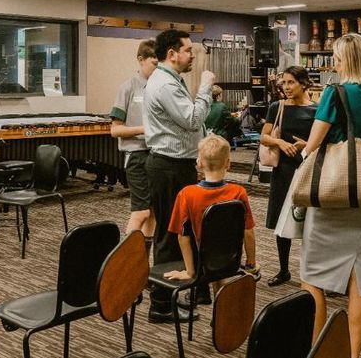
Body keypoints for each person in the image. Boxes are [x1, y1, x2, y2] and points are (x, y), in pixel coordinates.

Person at [298, 33, 361, 358]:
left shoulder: (334, 93)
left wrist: (305, 151)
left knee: (312, 277)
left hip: (332, 195)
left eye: (337, 58)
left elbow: (314, 143)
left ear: (346, 61)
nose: (334, 64)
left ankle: (314, 356)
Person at [143, 29, 216, 323]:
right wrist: (206, 88)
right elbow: (192, 118)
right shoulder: (165, 85)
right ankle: (161, 304)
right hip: (168, 167)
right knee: (170, 235)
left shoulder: (172, 80)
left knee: (183, 231)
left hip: (177, 164)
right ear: (172, 54)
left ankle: (182, 291)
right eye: (188, 51)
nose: (192, 56)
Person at [162, 135, 258, 289]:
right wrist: (251, 263)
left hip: (201, 261)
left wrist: (190, 272)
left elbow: (182, 236)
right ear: (228, 164)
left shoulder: (187, 194)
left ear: (198, 163)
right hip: (231, 258)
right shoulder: (239, 192)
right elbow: (248, 232)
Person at [258, 66, 316, 287]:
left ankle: (309, 272)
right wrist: (280, 142)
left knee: (309, 221)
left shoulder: (316, 110)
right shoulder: (277, 107)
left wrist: (306, 145)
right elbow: (264, 137)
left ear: (303, 83)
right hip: (283, 170)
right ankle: (283, 269)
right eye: (284, 83)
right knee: (281, 221)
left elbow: (320, 141)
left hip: (306, 169)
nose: (287, 87)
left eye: (291, 82)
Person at [109, 39, 158, 239]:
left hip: (157, 155)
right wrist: (144, 130)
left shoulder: (160, 88)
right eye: (154, 63)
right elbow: (115, 130)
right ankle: (125, 261)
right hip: (137, 156)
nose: (158, 68)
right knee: (141, 212)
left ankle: (142, 261)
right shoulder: (127, 88)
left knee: (154, 213)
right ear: (141, 59)